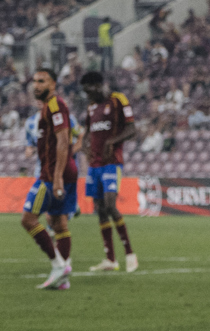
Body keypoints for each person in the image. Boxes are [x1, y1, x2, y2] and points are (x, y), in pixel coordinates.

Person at [20, 68, 79, 290]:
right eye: (35, 81)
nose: (36, 85)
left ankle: (58, 265)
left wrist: (57, 178)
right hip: (64, 172)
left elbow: (63, 140)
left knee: (28, 220)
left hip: (52, 174)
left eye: (42, 81)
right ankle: (62, 279)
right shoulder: (49, 106)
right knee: (58, 223)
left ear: (53, 84)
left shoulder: (55, 105)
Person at [77, 72, 139, 273]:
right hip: (94, 165)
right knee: (101, 210)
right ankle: (110, 259)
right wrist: (85, 145)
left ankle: (130, 254)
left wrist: (112, 141)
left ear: (98, 85)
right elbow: (88, 132)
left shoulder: (117, 100)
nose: (87, 95)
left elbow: (132, 129)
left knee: (111, 205)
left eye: (89, 90)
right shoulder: (91, 107)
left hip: (112, 163)